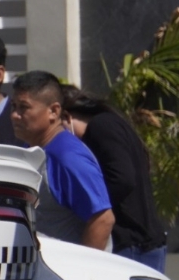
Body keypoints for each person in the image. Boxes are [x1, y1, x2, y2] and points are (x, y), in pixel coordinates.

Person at [61, 86, 169, 271]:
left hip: (132, 244)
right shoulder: (108, 126)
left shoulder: (101, 127)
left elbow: (122, 179)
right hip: (139, 243)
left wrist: (90, 205)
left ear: (65, 116)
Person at [9, 70, 115, 251]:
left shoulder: (67, 157)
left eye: (24, 107)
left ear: (53, 111)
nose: (14, 115)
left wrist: (83, 270)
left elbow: (103, 219)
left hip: (68, 274)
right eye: (13, 106)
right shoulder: (33, 150)